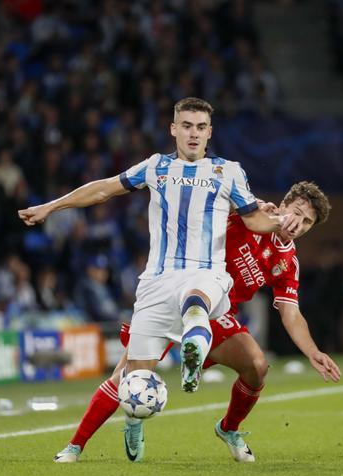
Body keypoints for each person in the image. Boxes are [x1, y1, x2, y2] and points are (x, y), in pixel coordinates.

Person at [18, 96, 295, 444]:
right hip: (159, 282)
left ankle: (197, 364)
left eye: (201, 127)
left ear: (210, 133)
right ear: (173, 129)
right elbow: (104, 189)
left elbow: (253, 218)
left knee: (206, 310)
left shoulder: (229, 171)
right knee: (130, 377)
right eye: (187, 126)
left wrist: (280, 224)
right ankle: (108, 432)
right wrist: (52, 206)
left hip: (206, 276)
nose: (194, 134)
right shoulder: (155, 167)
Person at [54, 182, 341, 464]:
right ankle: (77, 446)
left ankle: (228, 428)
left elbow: (290, 312)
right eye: (297, 212)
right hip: (176, 292)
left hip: (215, 312)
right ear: (283, 205)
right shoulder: (251, 213)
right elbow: (211, 200)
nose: (298, 224)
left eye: (307, 222)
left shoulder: (288, 262)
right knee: (125, 379)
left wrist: (313, 352)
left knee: (257, 366)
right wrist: (248, 208)